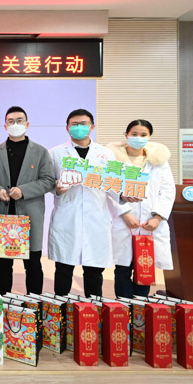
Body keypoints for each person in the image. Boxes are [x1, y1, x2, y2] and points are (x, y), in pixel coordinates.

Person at [48, 108, 132, 298]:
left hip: (96, 217)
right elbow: (47, 181)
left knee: (94, 271)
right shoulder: (55, 153)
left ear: (92, 127)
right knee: (63, 270)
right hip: (67, 217)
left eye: (83, 124)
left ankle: (91, 311)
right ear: (67, 128)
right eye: (74, 124)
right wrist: (57, 188)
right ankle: (60, 310)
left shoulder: (106, 154)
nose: (79, 128)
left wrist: (125, 195)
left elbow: (113, 184)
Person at [0, 106, 56, 295]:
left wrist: (23, 191)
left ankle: (33, 304)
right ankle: (3, 301)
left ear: (27, 124)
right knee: (3, 265)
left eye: (19, 120)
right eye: (11, 121)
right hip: (3, 213)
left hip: (29, 214)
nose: (15, 124)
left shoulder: (40, 152)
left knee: (33, 263)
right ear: (5, 125)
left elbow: (48, 180)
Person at [107, 119, 175, 298]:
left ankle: (139, 309)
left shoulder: (159, 161)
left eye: (143, 135)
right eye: (134, 134)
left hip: (149, 224)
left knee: (144, 268)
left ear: (149, 137)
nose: (138, 138)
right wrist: (124, 214)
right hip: (124, 222)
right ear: (126, 135)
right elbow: (109, 190)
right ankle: (122, 309)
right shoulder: (114, 161)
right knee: (122, 270)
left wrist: (158, 217)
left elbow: (167, 190)